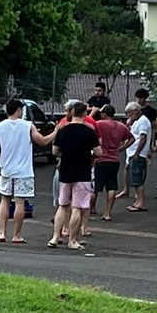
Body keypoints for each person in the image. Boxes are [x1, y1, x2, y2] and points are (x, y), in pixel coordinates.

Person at [0, 98, 57, 244]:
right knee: (19, 202)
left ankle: (2, 232)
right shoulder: (28, 126)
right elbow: (43, 141)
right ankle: (16, 235)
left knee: (4, 200)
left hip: (6, 169)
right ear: (19, 110)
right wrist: (55, 132)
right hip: (23, 170)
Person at [49, 102, 101, 250]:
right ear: (85, 114)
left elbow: (54, 152)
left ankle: (55, 237)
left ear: (71, 113)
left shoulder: (63, 131)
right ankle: (72, 240)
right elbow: (98, 152)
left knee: (62, 206)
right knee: (77, 208)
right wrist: (89, 153)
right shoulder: (89, 131)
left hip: (65, 172)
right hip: (83, 173)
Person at [93, 104, 134, 221]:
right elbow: (132, 138)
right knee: (111, 186)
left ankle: (92, 208)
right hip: (114, 159)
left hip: (100, 158)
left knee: (95, 187)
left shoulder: (99, 124)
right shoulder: (121, 126)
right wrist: (121, 148)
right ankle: (107, 213)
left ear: (104, 114)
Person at [124, 102, 152, 213]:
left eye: (129, 113)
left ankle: (141, 202)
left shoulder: (143, 122)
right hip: (133, 153)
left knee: (137, 178)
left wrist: (137, 152)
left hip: (138, 154)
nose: (129, 116)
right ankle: (138, 201)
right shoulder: (137, 121)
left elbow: (143, 138)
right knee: (135, 179)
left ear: (136, 111)